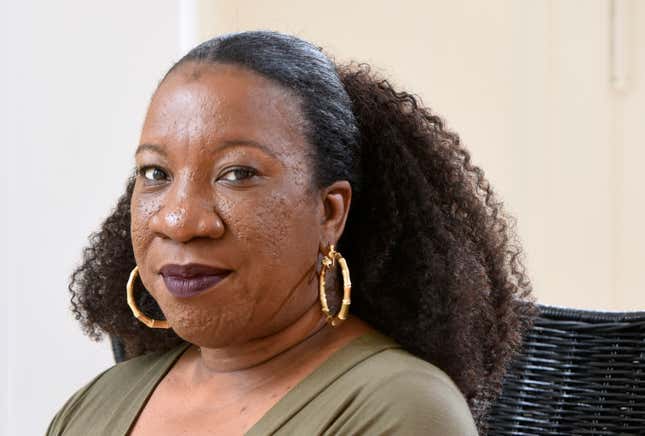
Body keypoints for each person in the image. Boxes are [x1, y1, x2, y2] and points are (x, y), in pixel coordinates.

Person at [47, 30, 535, 436]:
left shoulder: (400, 411)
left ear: (329, 211)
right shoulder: (97, 406)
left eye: (237, 173)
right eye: (155, 173)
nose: (179, 221)